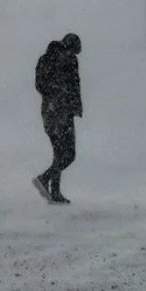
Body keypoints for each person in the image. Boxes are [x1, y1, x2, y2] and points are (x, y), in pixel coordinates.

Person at [33, 33, 82, 204]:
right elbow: (73, 87)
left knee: (60, 153)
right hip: (62, 112)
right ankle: (45, 181)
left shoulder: (45, 58)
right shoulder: (68, 60)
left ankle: (53, 190)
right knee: (68, 154)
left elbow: (39, 85)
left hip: (50, 111)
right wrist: (66, 100)